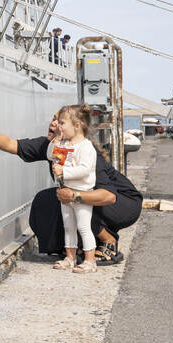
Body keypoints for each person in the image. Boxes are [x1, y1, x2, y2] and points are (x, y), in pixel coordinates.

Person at [0, 107, 142, 266]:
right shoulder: (51, 145)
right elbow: (11, 144)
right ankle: (71, 250)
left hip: (124, 203)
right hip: (92, 197)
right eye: (54, 120)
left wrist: (74, 196)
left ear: (75, 128)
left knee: (69, 202)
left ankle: (108, 242)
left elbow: (109, 196)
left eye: (60, 121)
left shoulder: (85, 150)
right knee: (47, 200)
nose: (54, 124)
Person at [48, 105, 98, 273]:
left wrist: (64, 171)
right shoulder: (63, 143)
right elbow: (50, 155)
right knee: (68, 226)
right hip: (65, 193)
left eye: (62, 123)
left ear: (77, 125)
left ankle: (90, 261)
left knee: (84, 226)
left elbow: (85, 170)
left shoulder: (86, 147)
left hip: (81, 194)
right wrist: (56, 138)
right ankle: (70, 257)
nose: (58, 125)